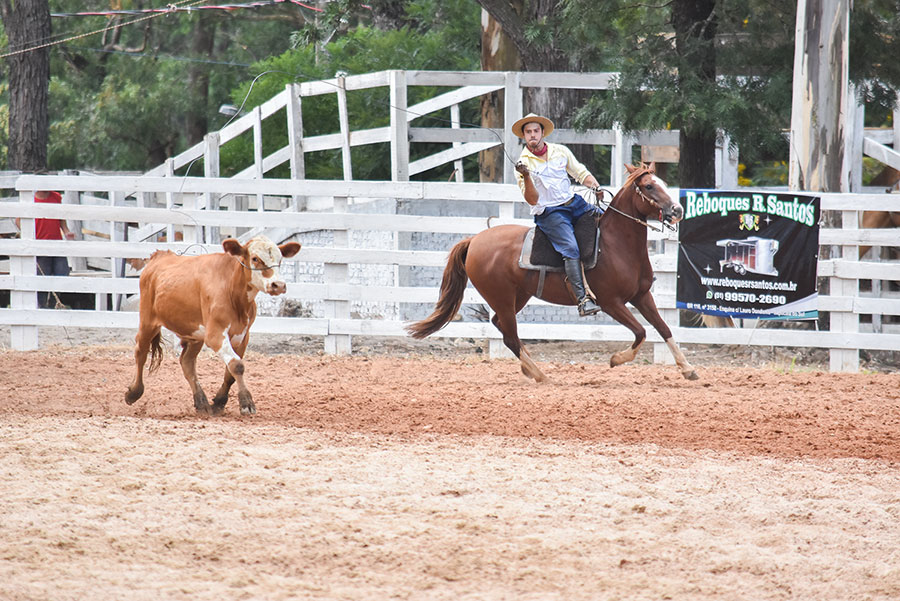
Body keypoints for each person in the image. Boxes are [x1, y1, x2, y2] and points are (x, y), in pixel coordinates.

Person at [512, 113, 602, 316]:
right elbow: (532, 200)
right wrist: (526, 176)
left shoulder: (560, 151)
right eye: (528, 132)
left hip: (574, 203)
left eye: (536, 131)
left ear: (543, 133)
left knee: (607, 219)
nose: (533, 135)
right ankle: (583, 300)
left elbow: (580, 173)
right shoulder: (522, 164)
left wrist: (596, 187)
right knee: (570, 248)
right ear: (524, 136)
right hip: (550, 212)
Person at [16, 188, 75, 308]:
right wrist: (29, 233)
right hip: (40, 244)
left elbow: (61, 218)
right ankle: (41, 306)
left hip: (56, 243)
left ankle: (54, 304)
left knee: (62, 272)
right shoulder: (30, 199)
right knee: (42, 275)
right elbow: (18, 221)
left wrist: (66, 231)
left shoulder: (56, 197)